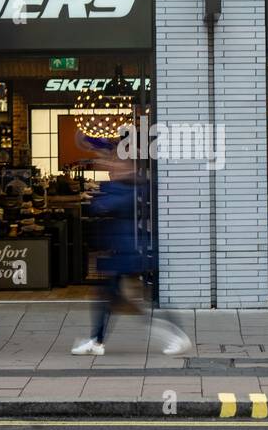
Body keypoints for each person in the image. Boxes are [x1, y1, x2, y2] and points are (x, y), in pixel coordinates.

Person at [71, 137, 190, 357]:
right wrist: (87, 141)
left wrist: (101, 201)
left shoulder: (134, 189)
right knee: (108, 296)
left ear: (128, 166)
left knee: (144, 300)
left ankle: (176, 335)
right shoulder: (123, 187)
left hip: (133, 253)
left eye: (115, 164)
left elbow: (106, 206)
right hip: (122, 252)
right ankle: (96, 341)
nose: (110, 168)